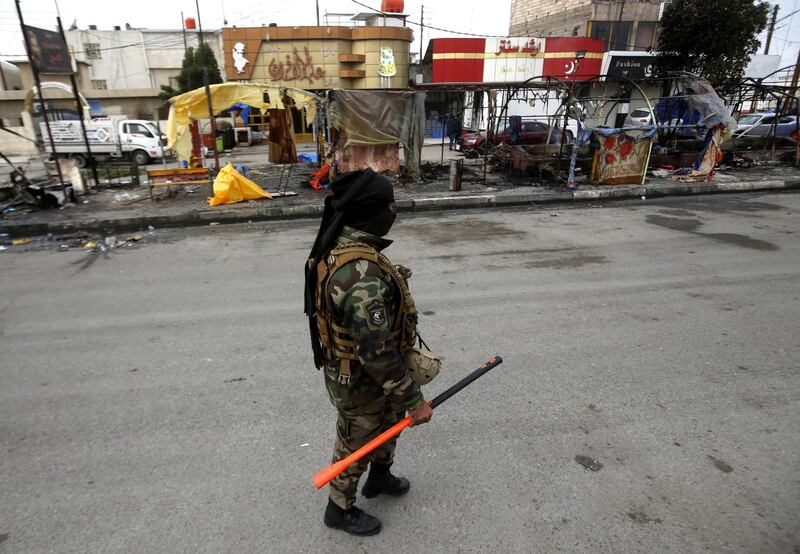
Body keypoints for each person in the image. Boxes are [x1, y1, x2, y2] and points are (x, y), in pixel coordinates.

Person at [304, 169, 433, 536]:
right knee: (357, 439)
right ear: (371, 211)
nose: (394, 210)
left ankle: (380, 477)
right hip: (360, 378)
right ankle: (339, 509)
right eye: (390, 204)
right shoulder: (360, 274)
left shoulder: (346, 246)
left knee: (388, 424)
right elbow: (375, 350)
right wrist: (414, 399)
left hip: (367, 375)